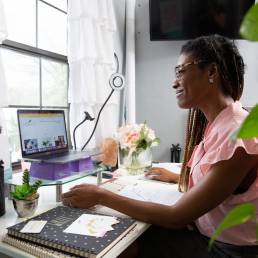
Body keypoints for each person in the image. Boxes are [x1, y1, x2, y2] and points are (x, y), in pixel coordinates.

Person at [62, 34, 258, 258]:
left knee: (123, 244)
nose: (174, 82)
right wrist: (176, 177)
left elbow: (176, 217)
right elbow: (220, 181)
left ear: (211, 72)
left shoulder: (237, 134)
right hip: (210, 237)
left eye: (180, 71)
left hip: (228, 251)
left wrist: (101, 196)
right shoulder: (221, 126)